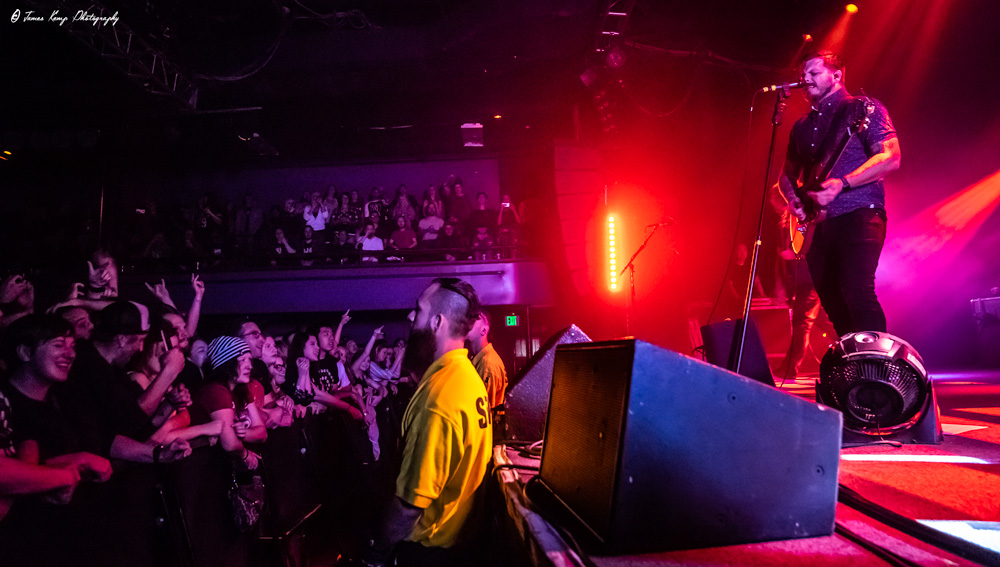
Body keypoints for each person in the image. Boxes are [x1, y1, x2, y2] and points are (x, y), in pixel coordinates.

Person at [363, 277, 491, 567]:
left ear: (437, 323)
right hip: (456, 545)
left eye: (418, 310)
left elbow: (409, 507)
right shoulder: (466, 376)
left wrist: (379, 550)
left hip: (427, 552)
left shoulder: (438, 398)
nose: (410, 316)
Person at [778, 50, 901, 337]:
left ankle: (878, 365)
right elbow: (785, 176)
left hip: (859, 212)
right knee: (831, 299)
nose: (805, 80)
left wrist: (843, 182)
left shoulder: (862, 108)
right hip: (816, 225)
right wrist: (793, 200)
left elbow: (891, 157)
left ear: (837, 75)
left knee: (858, 291)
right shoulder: (801, 127)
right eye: (802, 75)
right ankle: (854, 364)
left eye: (813, 73)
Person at [466, 310, 507, 425]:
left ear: (484, 330)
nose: (468, 322)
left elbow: (483, 411)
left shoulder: (487, 364)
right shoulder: (477, 359)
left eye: (474, 319)